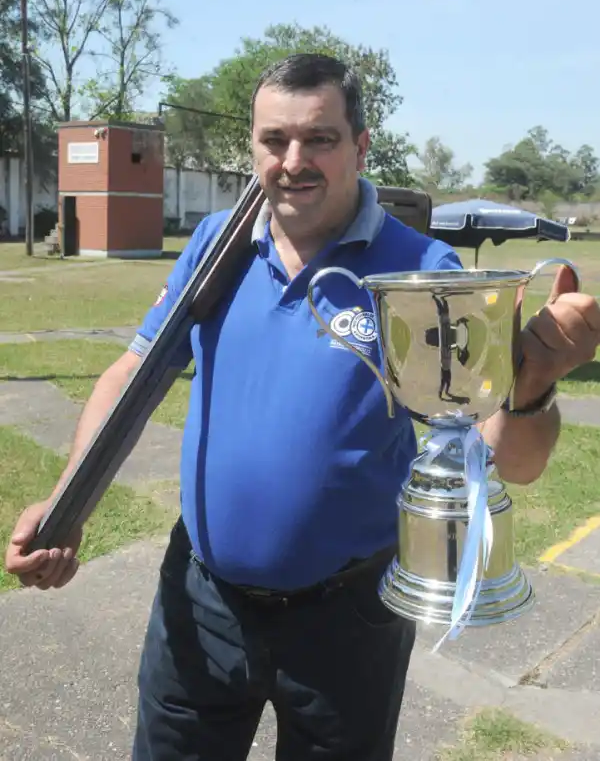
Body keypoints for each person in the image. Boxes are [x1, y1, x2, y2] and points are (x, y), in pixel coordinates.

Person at [5, 53, 600, 761]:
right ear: (253, 147)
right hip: (201, 598)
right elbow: (137, 366)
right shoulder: (215, 245)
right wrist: (70, 497)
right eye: (274, 140)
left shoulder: (423, 272)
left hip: (350, 617)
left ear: (360, 146)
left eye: (319, 138)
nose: (294, 161)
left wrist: (532, 383)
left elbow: (511, 462)